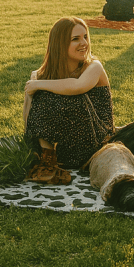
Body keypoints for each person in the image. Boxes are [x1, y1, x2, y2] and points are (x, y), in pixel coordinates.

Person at [23, 17, 114, 177]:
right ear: (60, 44)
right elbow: (29, 120)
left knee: (75, 98)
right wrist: (36, 86)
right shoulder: (41, 76)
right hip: (62, 147)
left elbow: (77, 87)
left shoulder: (94, 67)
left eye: (85, 37)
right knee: (45, 94)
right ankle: (47, 163)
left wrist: (39, 84)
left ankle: (51, 164)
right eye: (75, 39)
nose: (84, 43)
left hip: (95, 142)